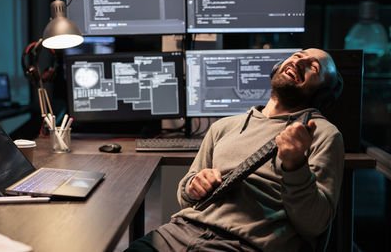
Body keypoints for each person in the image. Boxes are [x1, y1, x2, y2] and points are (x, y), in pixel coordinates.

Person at [126, 48, 345, 252]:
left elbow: (314, 224)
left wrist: (295, 165)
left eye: (314, 67)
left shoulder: (322, 133)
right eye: (298, 55)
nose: (300, 61)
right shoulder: (223, 126)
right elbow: (186, 198)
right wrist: (193, 187)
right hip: (178, 232)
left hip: (242, 244)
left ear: (321, 94)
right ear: (278, 66)